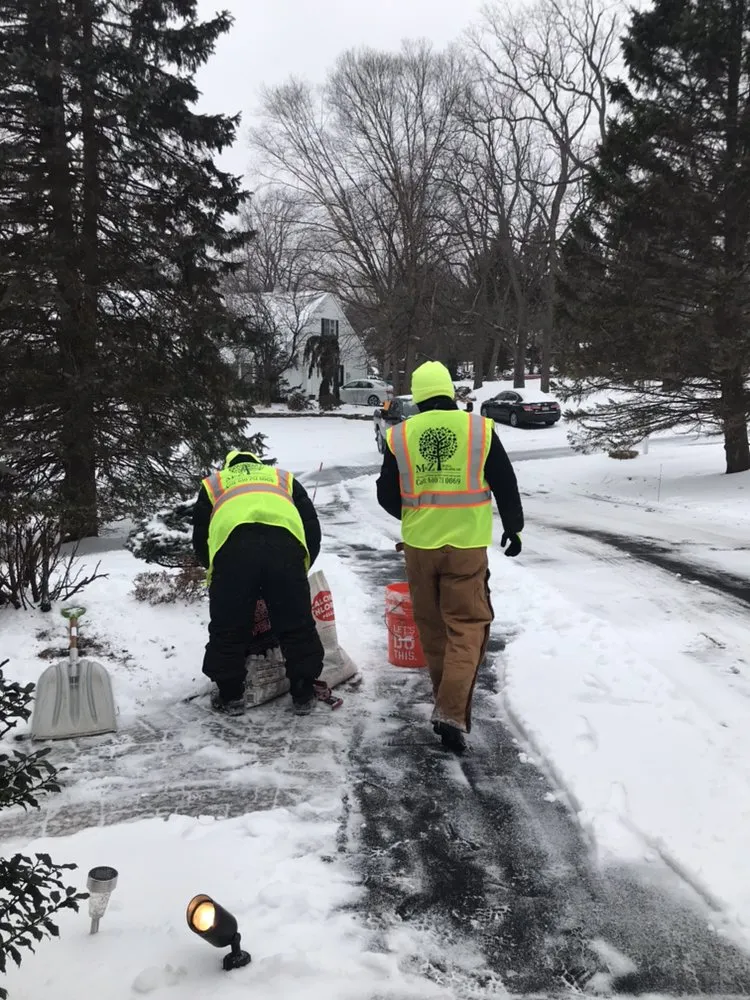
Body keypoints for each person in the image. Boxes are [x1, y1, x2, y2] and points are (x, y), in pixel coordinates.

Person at [376, 362, 524, 753]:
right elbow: (505, 482)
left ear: (418, 397)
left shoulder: (400, 436)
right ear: (449, 393)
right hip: (465, 546)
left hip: (420, 548)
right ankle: (451, 712)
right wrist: (514, 527)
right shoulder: (478, 430)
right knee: (467, 626)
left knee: (433, 629)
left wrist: (417, 517)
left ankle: (446, 706)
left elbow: (386, 495)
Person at [192, 449, 324, 716]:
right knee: (297, 624)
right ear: (257, 464)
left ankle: (230, 696)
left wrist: (216, 571)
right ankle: (303, 693)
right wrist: (300, 568)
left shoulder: (214, 483)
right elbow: (312, 528)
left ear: (229, 466)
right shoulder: (283, 478)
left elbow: (200, 538)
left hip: (233, 551)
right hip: (285, 548)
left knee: (228, 626)